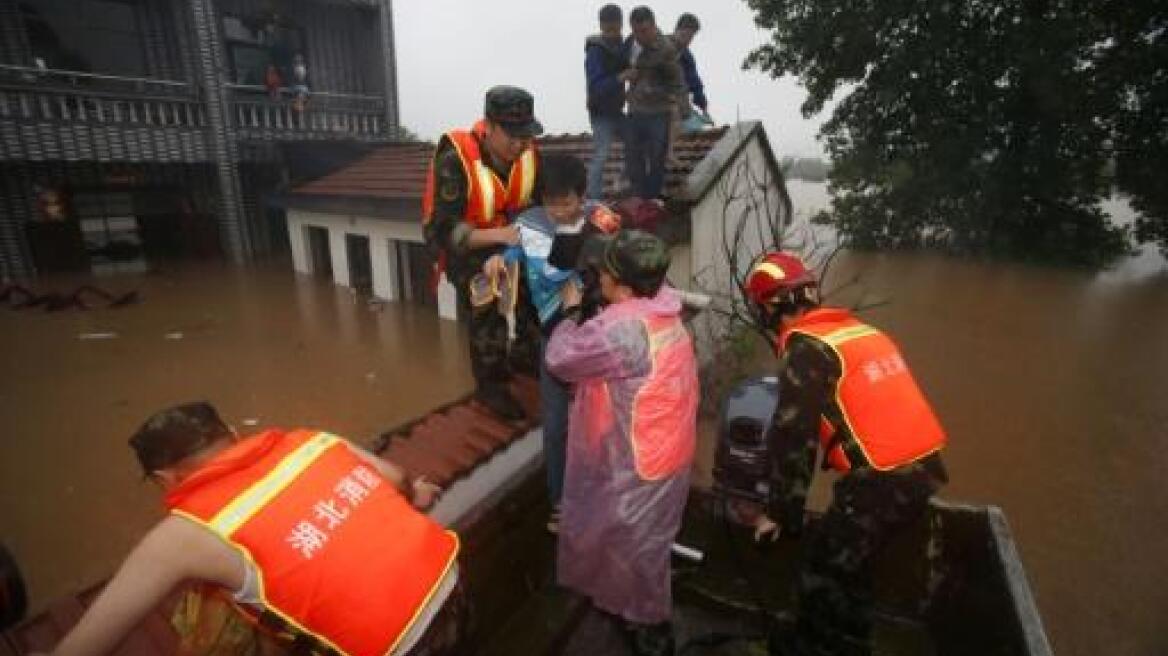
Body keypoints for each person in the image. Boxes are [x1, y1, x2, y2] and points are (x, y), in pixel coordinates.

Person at [36, 402, 464, 656]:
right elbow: (394, 478)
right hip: (451, 588)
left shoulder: (182, 537)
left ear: (165, 479)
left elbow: (83, 648)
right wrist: (417, 492)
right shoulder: (310, 441)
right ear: (235, 434)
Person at [743, 253, 950, 656]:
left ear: (768, 306)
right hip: (923, 471)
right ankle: (855, 644)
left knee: (822, 575)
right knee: (849, 566)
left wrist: (779, 512)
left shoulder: (806, 350)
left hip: (882, 480)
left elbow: (793, 438)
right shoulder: (860, 332)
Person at [546, 230, 698, 656]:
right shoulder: (666, 306)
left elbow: (561, 360)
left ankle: (652, 635)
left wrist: (571, 313)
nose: (600, 277)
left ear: (622, 283)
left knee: (637, 552)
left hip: (642, 462)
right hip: (668, 447)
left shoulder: (624, 332)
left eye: (605, 271)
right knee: (643, 544)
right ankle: (634, 610)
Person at [482, 154, 621, 530]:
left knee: (603, 417)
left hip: (595, 328)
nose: (558, 210)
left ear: (581, 195)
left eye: (567, 202)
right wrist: (503, 257)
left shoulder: (597, 214)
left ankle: (602, 491)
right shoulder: (531, 222)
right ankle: (559, 500)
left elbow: (620, 247)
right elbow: (548, 269)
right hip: (554, 331)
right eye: (551, 202)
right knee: (557, 421)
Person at [423, 86, 544, 421]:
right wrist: (501, 236)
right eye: (512, 137)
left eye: (525, 137)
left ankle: (526, 355)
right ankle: (490, 386)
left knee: (538, 278)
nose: (519, 146)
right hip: (463, 244)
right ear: (489, 127)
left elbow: (537, 204)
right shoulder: (455, 161)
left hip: (510, 236)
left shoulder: (529, 154)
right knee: (487, 294)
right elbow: (446, 231)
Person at [623, 7, 688, 201]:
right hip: (635, 110)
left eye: (644, 31)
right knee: (633, 155)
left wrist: (655, 91)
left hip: (658, 111)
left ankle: (652, 199)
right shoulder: (629, 43)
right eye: (636, 31)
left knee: (657, 156)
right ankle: (639, 196)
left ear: (653, 26)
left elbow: (676, 83)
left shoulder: (666, 49)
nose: (640, 36)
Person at [584, 4, 630, 200]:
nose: (612, 32)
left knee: (636, 141)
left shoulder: (624, 45)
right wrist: (620, 78)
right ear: (601, 26)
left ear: (621, 24)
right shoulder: (595, 50)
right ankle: (594, 199)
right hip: (600, 111)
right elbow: (596, 86)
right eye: (608, 28)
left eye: (616, 28)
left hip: (617, 110)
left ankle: (622, 182)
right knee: (602, 153)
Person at [671, 13, 711, 134]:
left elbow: (694, 82)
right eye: (685, 35)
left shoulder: (687, 56)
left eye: (691, 37)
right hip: (660, 106)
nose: (688, 40)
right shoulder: (659, 46)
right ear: (677, 30)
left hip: (681, 107)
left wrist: (703, 105)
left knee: (696, 132)